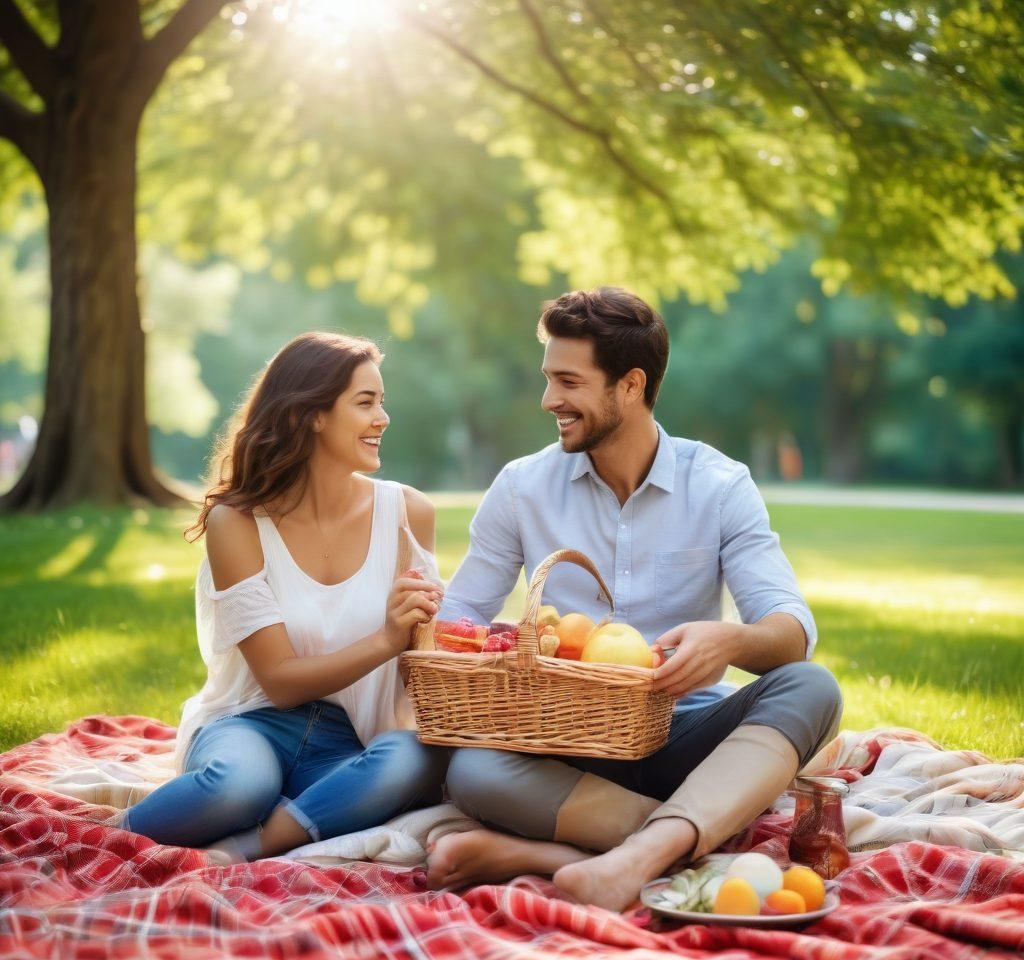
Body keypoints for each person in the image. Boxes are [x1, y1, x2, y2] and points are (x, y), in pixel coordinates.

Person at [427, 288, 843, 911]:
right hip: (564, 740)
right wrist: (505, 646)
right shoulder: (521, 487)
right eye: (548, 379)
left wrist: (731, 640)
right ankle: (683, 840)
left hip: (686, 730)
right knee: (472, 772)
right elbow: (459, 618)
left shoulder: (720, 486)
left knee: (814, 688)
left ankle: (583, 855)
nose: (549, 401)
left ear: (630, 385)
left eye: (568, 381)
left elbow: (792, 631)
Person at [117, 331, 450, 862]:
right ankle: (114, 836)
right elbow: (279, 681)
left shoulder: (409, 515)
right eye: (365, 403)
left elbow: (423, 674)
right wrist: (388, 638)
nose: (383, 418)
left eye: (381, 402)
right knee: (239, 787)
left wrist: (426, 643)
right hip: (251, 722)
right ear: (313, 414)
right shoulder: (239, 522)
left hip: (348, 741)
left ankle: (251, 845)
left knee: (409, 757)